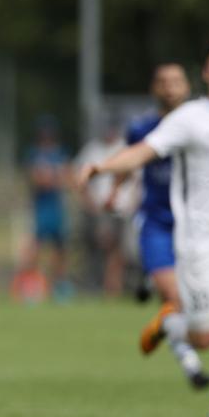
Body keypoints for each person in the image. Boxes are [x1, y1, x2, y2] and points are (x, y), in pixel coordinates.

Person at [78, 37, 209, 417]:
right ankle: (170, 327)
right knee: (204, 333)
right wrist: (104, 171)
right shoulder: (189, 119)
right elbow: (140, 153)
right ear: (207, 72)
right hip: (193, 236)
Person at [108, 63, 209, 389]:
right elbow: (132, 157)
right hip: (158, 225)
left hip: (198, 226)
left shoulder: (203, 126)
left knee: (197, 312)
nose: (170, 88)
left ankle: (164, 324)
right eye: (163, 82)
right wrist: (114, 188)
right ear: (154, 89)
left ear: (188, 86)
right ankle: (192, 366)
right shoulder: (142, 128)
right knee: (175, 298)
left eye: (176, 82)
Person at [14, 115, 73, 302]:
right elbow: (37, 180)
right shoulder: (34, 154)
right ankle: (30, 286)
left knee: (60, 249)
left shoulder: (60, 153)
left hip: (57, 207)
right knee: (35, 249)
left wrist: (53, 178)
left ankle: (59, 288)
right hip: (40, 208)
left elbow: (67, 177)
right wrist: (53, 178)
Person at [74, 115, 130, 296]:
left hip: (120, 210)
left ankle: (113, 289)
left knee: (117, 251)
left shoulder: (124, 148)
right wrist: (89, 203)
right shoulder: (92, 149)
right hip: (97, 211)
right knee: (98, 250)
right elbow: (78, 178)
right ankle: (99, 287)